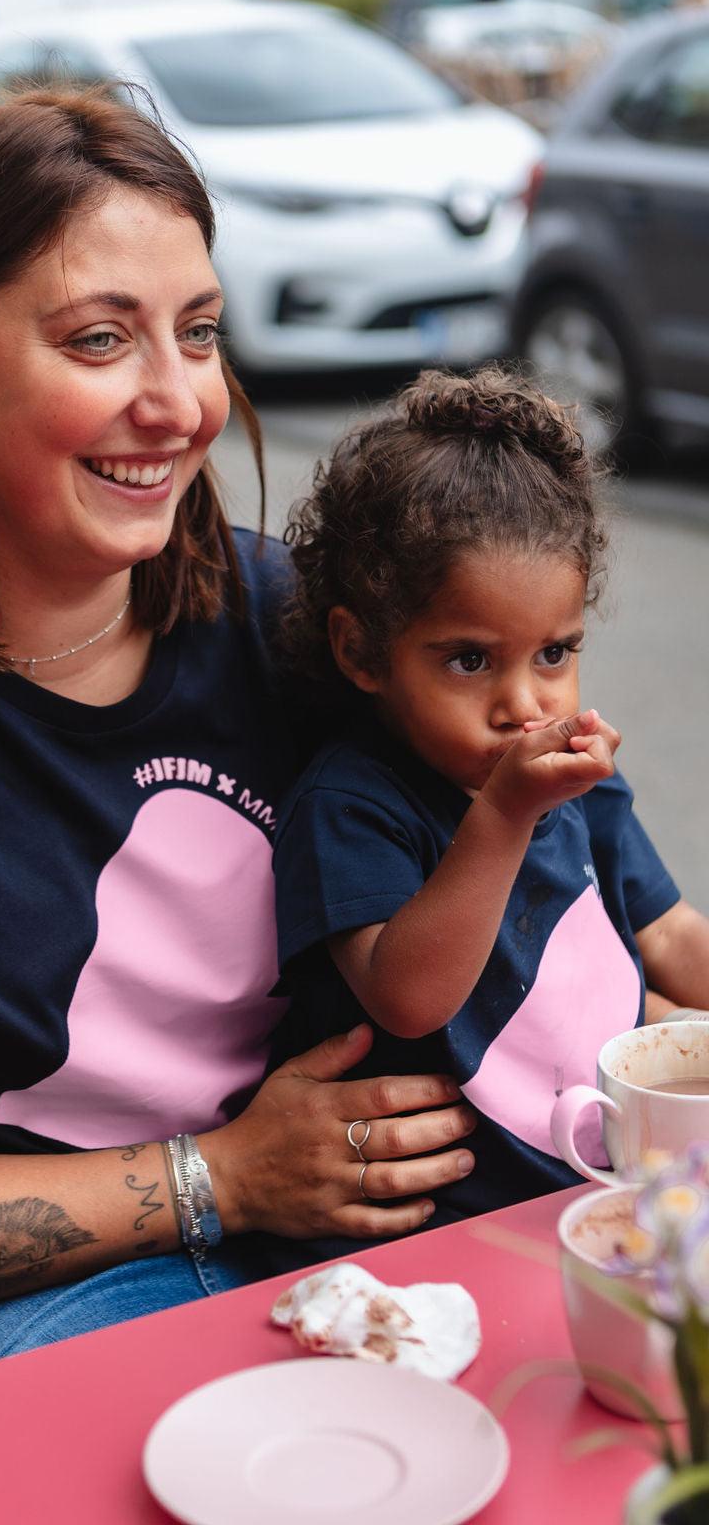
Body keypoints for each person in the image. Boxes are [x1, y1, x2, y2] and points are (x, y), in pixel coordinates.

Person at [0, 86, 476, 1522]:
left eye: (201, 329)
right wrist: (221, 1180)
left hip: (301, 1249)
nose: (178, 402)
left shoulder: (286, 618)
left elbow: (530, 881)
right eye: (98, 338)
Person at [271, 365, 709, 1239]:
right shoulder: (352, 805)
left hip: (609, 1185)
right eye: (470, 660)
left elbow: (666, 934)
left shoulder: (578, 770)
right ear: (362, 652)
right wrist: (504, 815)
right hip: (447, 1223)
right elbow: (408, 997)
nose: (526, 705)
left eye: (554, 652)